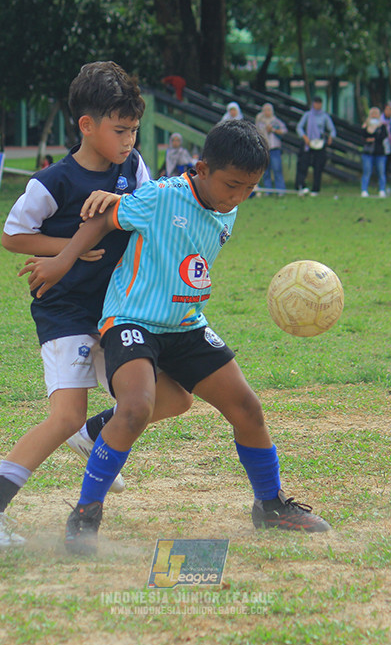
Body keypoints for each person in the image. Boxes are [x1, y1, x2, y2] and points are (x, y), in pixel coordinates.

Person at [21, 120, 331, 556]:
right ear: (202, 168)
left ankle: (271, 506)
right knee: (134, 408)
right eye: (231, 185)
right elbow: (104, 221)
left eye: (249, 188)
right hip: (131, 320)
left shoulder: (229, 206)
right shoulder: (162, 196)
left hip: (186, 322)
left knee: (248, 408)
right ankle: (85, 516)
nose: (238, 196)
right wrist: (64, 259)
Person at [0, 61, 192, 548]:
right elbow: (13, 236)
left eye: (134, 130)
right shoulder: (54, 181)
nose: (129, 140)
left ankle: (92, 436)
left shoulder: (134, 169)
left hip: (118, 310)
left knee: (174, 397)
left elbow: (146, 215)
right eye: (120, 130)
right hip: (64, 311)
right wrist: (68, 250)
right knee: (63, 416)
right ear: (87, 125)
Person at [295, 96, 336, 196]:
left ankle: (315, 189)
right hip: (308, 144)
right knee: (303, 165)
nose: (317, 105)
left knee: (318, 166)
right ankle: (301, 186)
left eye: (319, 103)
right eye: (316, 103)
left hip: (319, 144)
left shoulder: (325, 116)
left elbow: (332, 129)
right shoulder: (307, 115)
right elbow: (299, 127)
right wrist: (304, 137)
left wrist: (331, 137)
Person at [255, 103, 287, 193]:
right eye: (265, 110)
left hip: (274, 149)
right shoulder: (260, 122)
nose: (267, 112)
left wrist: (273, 130)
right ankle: (268, 191)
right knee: (265, 172)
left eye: (268, 110)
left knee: (277, 170)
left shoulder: (276, 121)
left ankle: (281, 191)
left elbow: (284, 130)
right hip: (264, 149)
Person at [360, 106, 390, 197]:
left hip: (380, 152)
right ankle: (364, 190)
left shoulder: (382, 126)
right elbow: (363, 136)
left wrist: (374, 138)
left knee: (381, 172)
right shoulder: (365, 125)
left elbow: (383, 137)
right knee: (367, 171)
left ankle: (382, 190)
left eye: (376, 113)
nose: (374, 115)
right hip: (368, 152)